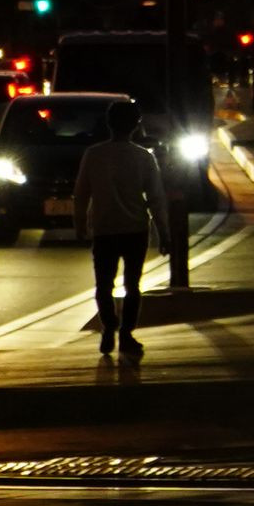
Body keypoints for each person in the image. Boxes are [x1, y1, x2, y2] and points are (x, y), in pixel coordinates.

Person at [71, 100, 163, 360]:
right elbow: (156, 198)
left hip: (104, 228)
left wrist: (80, 224)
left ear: (109, 124)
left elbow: (81, 193)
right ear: (135, 125)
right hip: (135, 229)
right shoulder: (143, 157)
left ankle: (108, 325)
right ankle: (126, 334)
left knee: (103, 284)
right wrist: (164, 232)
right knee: (133, 285)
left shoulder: (94, 155)